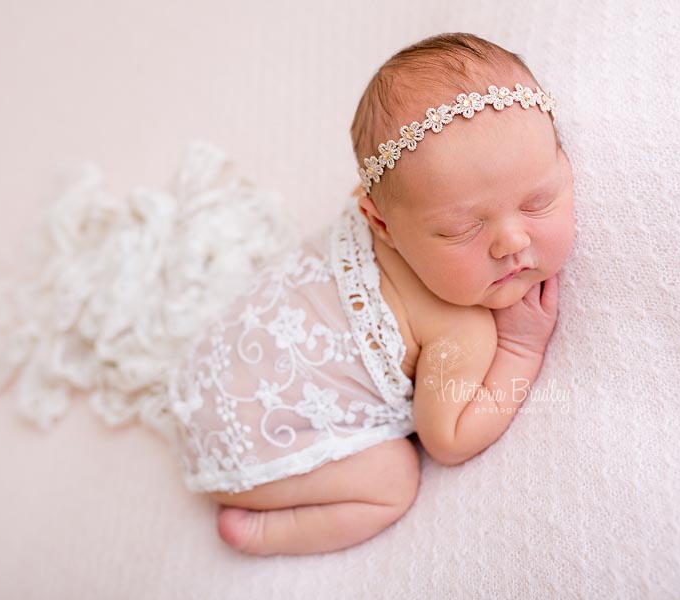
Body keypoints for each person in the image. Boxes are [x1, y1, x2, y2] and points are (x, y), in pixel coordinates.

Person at [166, 31, 575, 556]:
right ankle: (265, 531)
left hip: (215, 367)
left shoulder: (393, 203)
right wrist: (520, 349)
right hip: (251, 447)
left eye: (538, 201)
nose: (511, 242)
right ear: (379, 222)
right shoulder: (461, 328)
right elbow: (447, 439)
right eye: (459, 231)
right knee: (394, 479)